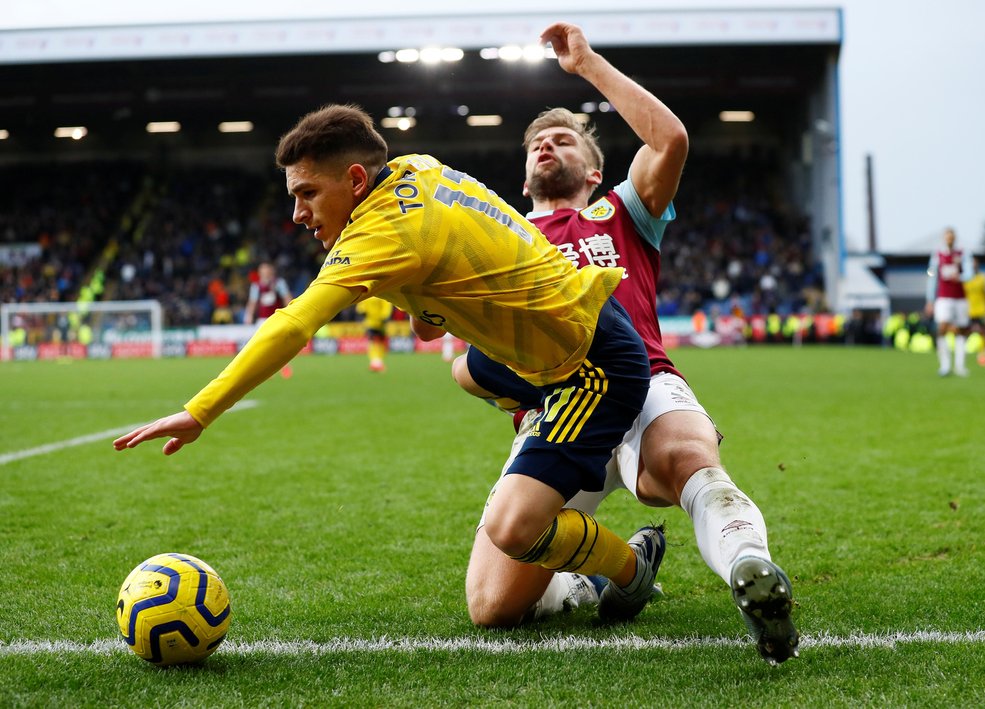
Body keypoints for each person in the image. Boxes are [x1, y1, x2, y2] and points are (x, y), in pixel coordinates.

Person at [113, 100, 667, 626]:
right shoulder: (416, 167)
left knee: (513, 527)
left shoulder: (382, 233)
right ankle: (555, 445)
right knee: (467, 372)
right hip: (557, 336)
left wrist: (201, 411)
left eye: (307, 193)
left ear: (356, 181)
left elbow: (293, 323)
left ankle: (629, 569)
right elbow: (439, 295)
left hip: (589, 364)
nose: (297, 214)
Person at [438, 22, 798, 665]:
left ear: (595, 171)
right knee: (493, 607)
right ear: (523, 181)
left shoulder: (622, 213)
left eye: (563, 139)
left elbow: (671, 139)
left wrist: (588, 66)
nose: (546, 145)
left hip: (642, 380)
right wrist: (524, 382)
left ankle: (753, 571)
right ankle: (605, 573)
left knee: (681, 462)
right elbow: (464, 365)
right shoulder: (498, 246)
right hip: (556, 415)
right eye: (536, 144)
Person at [925, 227, 973, 376]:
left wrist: (961, 277)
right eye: (947, 237)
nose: (949, 240)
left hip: (960, 297)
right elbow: (931, 275)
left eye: (951, 237)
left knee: (961, 330)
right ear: (944, 238)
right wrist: (930, 299)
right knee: (942, 328)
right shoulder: (937, 255)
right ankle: (945, 365)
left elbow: (970, 272)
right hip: (943, 297)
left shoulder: (963, 253)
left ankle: (960, 366)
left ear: (955, 238)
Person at [963, 256, 985, 366]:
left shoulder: (982, 278)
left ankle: (982, 353)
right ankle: (963, 352)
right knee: (965, 332)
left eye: (975, 263)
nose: (973, 266)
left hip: (981, 309)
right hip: (968, 310)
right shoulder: (965, 279)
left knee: (983, 332)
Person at [356, 296, 394, 372]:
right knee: (376, 341)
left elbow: (360, 308)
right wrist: (385, 316)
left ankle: (376, 361)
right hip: (375, 323)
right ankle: (376, 361)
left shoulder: (368, 295)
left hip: (374, 323)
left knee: (375, 342)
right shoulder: (381, 295)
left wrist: (362, 311)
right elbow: (387, 306)